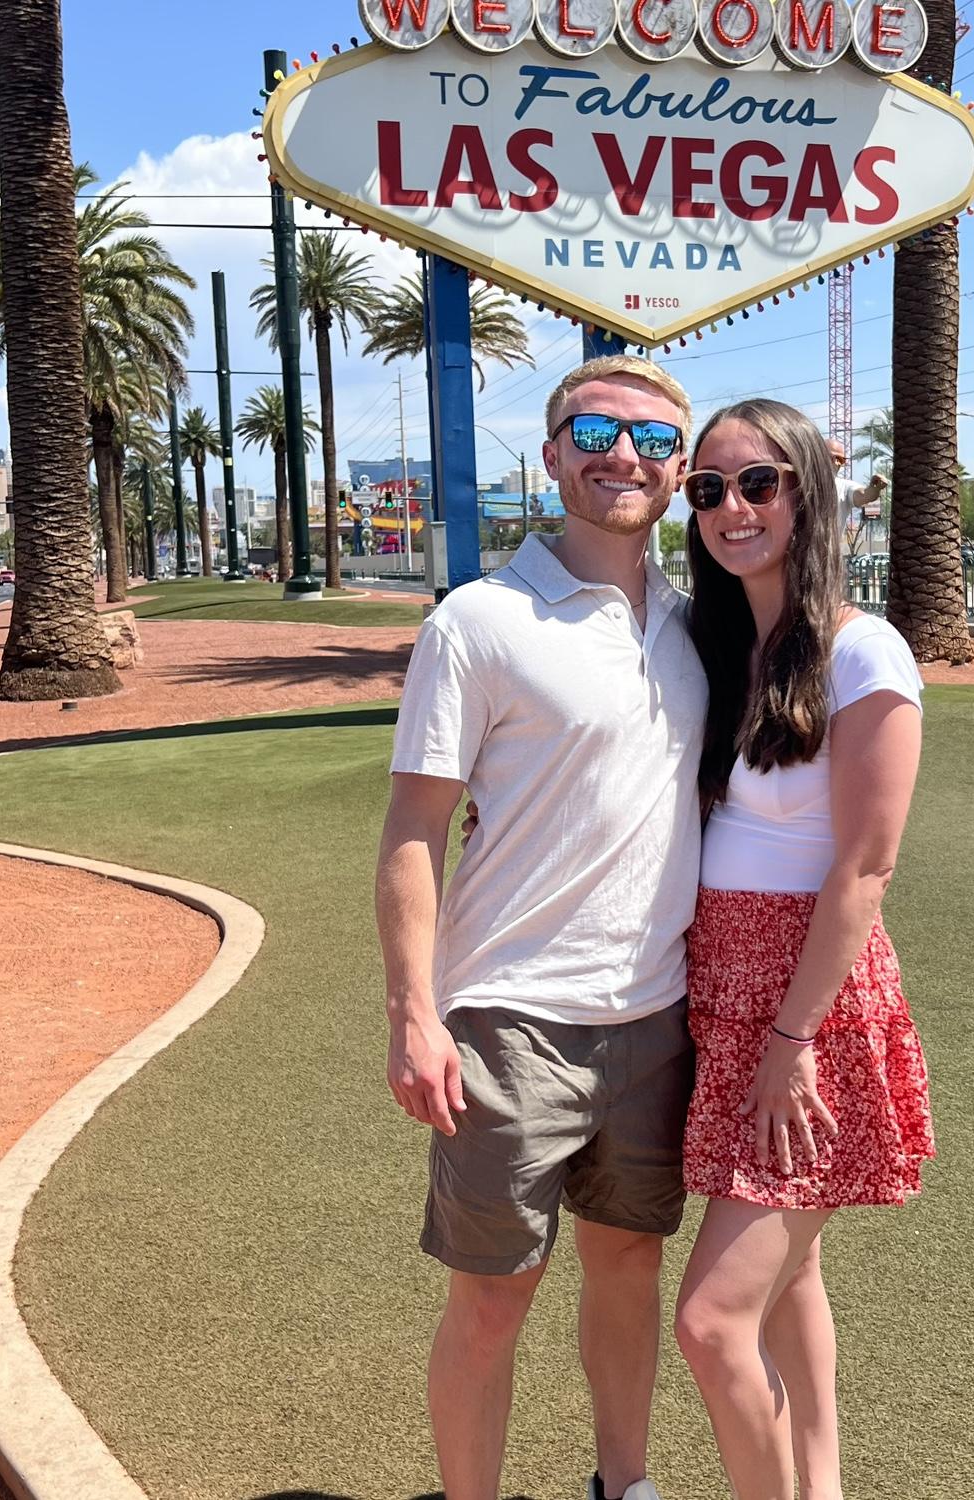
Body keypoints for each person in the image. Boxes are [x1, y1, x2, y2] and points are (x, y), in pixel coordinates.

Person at [375, 354, 706, 1500]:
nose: (626, 456)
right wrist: (414, 1014)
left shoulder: (696, 630)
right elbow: (414, 828)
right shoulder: (478, 622)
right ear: (554, 453)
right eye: (598, 432)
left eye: (654, 440)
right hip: (508, 1022)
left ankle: (625, 1484)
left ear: (679, 467)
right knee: (490, 1300)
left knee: (629, 1267)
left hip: (657, 1019)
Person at [673, 399, 934, 1500]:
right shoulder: (721, 649)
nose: (732, 508)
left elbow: (865, 870)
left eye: (759, 483)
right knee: (791, 1271)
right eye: (709, 490)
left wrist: (792, 1040)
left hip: (807, 1009)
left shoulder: (863, 651)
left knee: (711, 1320)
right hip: (723, 989)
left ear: (807, 494)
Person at [828, 438, 887, 514]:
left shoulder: (844, 486)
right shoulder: (811, 483)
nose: (836, 463)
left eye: (840, 459)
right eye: (832, 457)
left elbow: (863, 495)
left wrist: (875, 488)